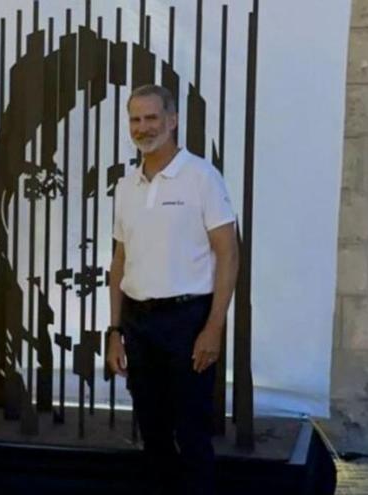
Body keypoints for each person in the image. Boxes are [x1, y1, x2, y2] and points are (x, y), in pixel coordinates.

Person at [106, 85, 239, 495]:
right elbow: (119, 262)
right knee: (154, 435)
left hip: (188, 321)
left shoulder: (202, 177)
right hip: (138, 323)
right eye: (135, 119)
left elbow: (229, 254)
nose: (143, 127)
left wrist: (214, 328)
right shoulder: (126, 187)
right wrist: (114, 331)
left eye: (151, 118)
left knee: (193, 436)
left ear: (173, 120)